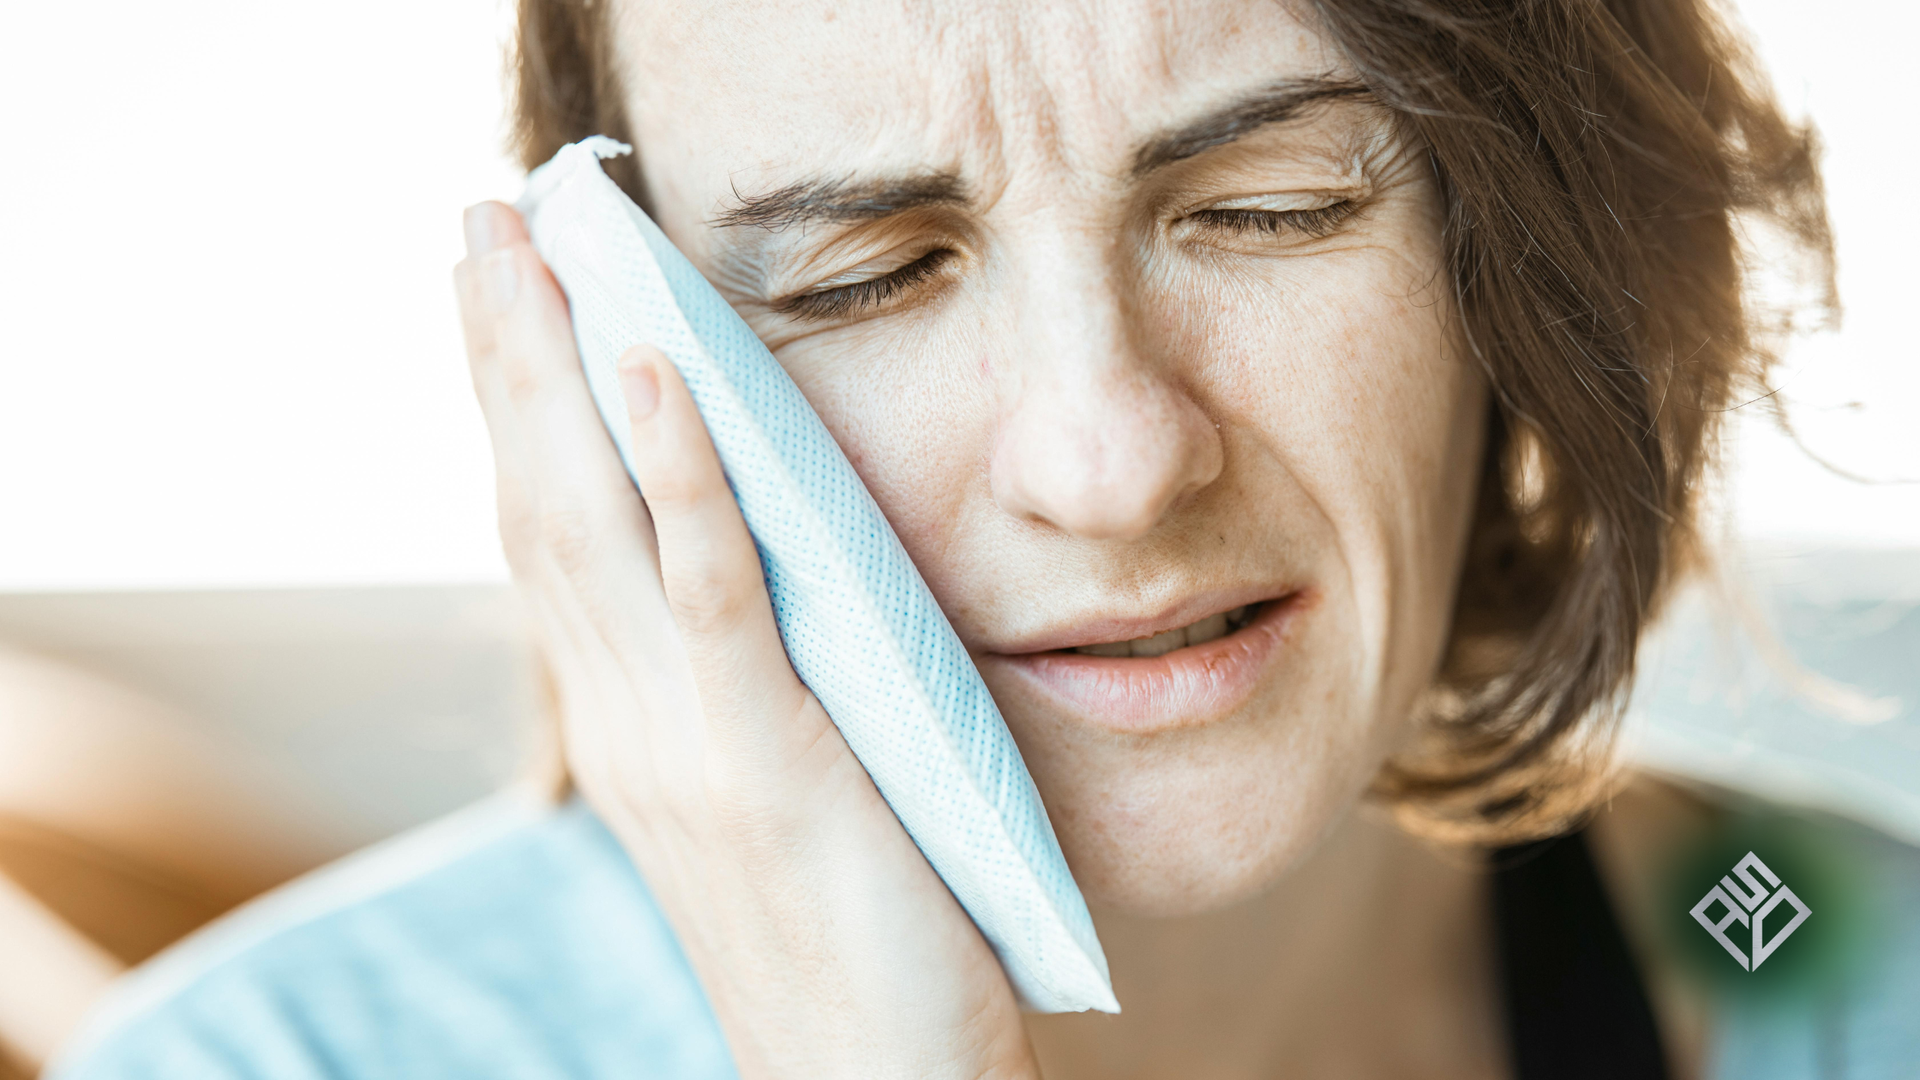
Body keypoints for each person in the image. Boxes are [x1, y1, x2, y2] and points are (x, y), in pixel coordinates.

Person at [45, 0, 1920, 1077]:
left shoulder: (1841, 974)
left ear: (1521, 269)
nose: (1111, 461)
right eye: (871, 275)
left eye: (1268, 209)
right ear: (616, 359)